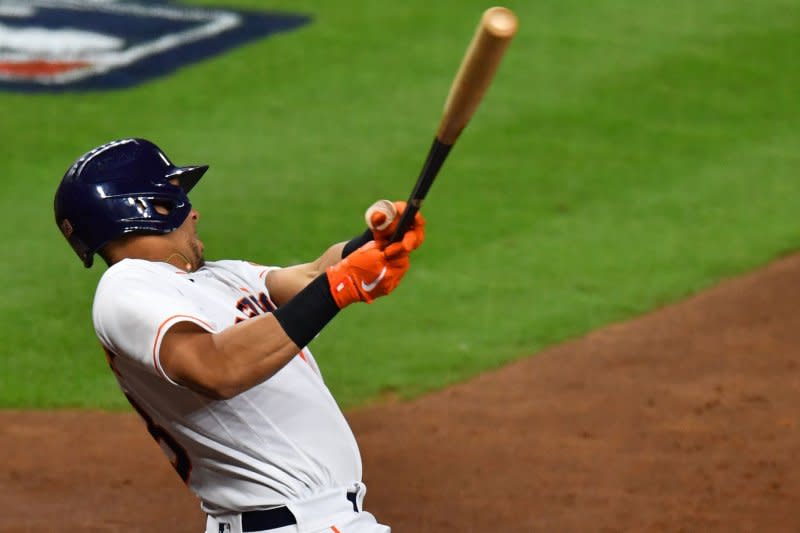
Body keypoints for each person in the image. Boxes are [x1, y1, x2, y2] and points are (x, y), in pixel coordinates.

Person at [53, 138, 425, 533]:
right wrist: (341, 286)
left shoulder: (215, 276)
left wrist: (376, 240)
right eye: (177, 196)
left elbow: (314, 276)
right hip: (293, 522)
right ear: (147, 207)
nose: (193, 213)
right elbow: (215, 368)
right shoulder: (126, 285)